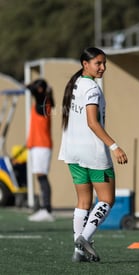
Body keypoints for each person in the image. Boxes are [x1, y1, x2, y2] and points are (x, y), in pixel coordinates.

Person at [58, 47, 128, 263]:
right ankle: (84, 238)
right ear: (84, 64)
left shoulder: (75, 84)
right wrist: (114, 146)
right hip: (93, 153)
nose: (102, 67)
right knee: (107, 199)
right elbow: (92, 122)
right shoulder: (92, 89)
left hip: (72, 151)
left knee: (83, 202)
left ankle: (78, 253)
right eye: (98, 63)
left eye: (104, 63)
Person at [26, 79, 55, 222]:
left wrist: (30, 85)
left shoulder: (42, 103)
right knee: (40, 176)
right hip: (37, 145)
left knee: (42, 176)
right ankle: (45, 208)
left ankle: (47, 209)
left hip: (41, 145)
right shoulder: (43, 101)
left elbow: (32, 90)